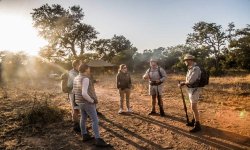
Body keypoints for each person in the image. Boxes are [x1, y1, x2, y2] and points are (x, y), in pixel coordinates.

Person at [73, 63, 110, 147]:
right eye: (88, 68)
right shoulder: (85, 78)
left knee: (83, 117)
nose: (89, 69)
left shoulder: (76, 78)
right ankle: (98, 139)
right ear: (86, 69)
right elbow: (84, 93)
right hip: (87, 102)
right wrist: (92, 100)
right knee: (95, 120)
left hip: (79, 102)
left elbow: (75, 91)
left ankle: (84, 135)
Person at [178, 54, 202, 133]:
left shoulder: (196, 68)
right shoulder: (190, 69)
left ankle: (197, 125)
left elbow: (191, 80)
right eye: (185, 60)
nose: (185, 61)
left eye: (187, 60)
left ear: (191, 60)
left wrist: (182, 83)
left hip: (195, 89)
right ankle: (194, 120)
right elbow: (189, 81)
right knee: (192, 106)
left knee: (193, 107)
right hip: (191, 89)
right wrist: (184, 83)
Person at [68, 60, 81, 133]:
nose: (81, 65)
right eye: (80, 64)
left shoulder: (77, 72)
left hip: (78, 93)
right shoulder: (72, 73)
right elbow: (70, 85)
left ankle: (78, 124)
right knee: (75, 109)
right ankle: (76, 126)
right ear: (76, 65)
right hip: (73, 93)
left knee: (78, 109)